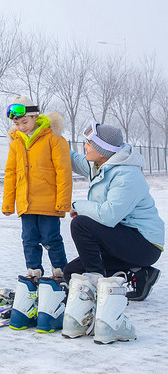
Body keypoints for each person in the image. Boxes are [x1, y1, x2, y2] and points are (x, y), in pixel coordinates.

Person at [61, 123, 163, 343]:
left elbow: (109, 215)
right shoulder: (102, 165)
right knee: (71, 273)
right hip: (123, 239)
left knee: (81, 224)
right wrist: (51, 137)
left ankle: (97, 287)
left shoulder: (127, 175)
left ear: (103, 149)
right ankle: (139, 274)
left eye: (90, 143)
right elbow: (73, 159)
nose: (85, 146)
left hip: (145, 244)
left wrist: (78, 205)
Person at [2, 96, 72, 332]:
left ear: (34, 116)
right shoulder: (16, 141)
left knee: (51, 238)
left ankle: (60, 274)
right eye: (17, 123)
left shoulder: (54, 138)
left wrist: (63, 202)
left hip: (49, 202)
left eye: (24, 121)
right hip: (26, 202)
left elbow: (64, 172)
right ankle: (34, 273)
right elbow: (10, 173)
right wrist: (8, 202)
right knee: (29, 239)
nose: (21, 127)